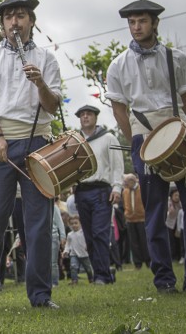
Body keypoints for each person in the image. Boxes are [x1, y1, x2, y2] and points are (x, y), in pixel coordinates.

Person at [105, 0, 186, 294]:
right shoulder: (118, 65)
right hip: (143, 137)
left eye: (142, 21)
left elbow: (185, 101)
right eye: (131, 22)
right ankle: (164, 279)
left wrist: (175, 127)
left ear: (155, 23)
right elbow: (119, 108)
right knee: (154, 210)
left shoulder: (177, 58)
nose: (136, 27)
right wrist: (136, 138)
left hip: (178, 131)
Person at [0, 0, 63, 310]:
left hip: (39, 142)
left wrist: (40, 85)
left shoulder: (47, 59)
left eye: (20, 16)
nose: (14, 23)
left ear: (32, 22)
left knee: (38, 222)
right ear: (2, 24)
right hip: (1, 142)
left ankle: (40, 296)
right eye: (8, 17)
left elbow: (52, 105)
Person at [73, 104, 124, 283]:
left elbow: (117, 164)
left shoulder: (108, 138)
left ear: (95, 117)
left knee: (99, 233)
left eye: (88, 114)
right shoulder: (75, 141)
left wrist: (117, 187)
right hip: (81, 191)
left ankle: (102, 275)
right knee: (88, 235)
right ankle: (102, 273)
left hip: (102, 190)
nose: (85, 117)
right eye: (82, 114)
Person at [122, 173, 150, 269]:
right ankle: (137, 263)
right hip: (130, 219)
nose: (125, 184)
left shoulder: (141, 189)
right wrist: (126, 213)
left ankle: (148, 261)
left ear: (132, 181)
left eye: (126, 182)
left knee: (144, 241)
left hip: (142, 218)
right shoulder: (125, 191)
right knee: (133, 243)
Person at [62, 216, 93, 284]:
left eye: (76, 223)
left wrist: (88, 246)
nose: (74, 225)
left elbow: (88, 241)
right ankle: (74, 280)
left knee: (88, 268)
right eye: (72, 224)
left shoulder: (84, 233)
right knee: (73, 266)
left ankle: (91, 279)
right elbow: (68, 244)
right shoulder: (70, 235)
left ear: (80, 223)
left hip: (84, 254)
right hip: (74, 254)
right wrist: (65, 251)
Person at [165, 187, 184, 262]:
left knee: (179, 240)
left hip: (179, 223)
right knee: (171, 241)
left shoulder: (181, 203)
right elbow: (166, 214)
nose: (177, 197)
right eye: (175, 195)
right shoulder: (168, 203)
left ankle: (180, 255)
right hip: (170, 224)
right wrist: (169, 212)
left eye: (178, 196)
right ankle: (173, 256)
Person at [50, 202, 67, 286]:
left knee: (53, 263)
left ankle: (54, 282)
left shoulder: (54, 207)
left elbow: (60, 222)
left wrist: (63, 236)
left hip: (53, 237)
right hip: (41, 238)